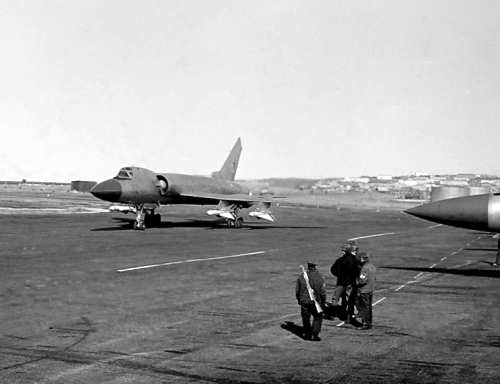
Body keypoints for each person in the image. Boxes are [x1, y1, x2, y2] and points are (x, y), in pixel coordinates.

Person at [296, 260, 327, 341]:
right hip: (315, 301)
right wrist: (323, 300)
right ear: (316, 266)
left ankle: (307, 333)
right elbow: (322, 291)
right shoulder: (319, 276)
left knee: (305, 318)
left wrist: (299, 299)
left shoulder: (302, 276)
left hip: (304, 300)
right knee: (318, 317)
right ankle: (314, 333)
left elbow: (297, 290)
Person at [330, 243, 361, 322]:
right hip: (350, 283)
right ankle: (349, 316)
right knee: (349, 300)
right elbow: (358, 271)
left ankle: (332, 314)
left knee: (335, 298)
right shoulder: (355, 260)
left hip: (340, 282)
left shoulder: (339, 260)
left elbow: (333, 270)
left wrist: (339, 275)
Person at [355, 252, 376, 330]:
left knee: (364, 307)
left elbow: (362, 280)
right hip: (370, 289)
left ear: (361, 258)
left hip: (364, 290)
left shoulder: (365, 268)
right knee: (369, 307)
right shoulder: (372, 266)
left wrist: (356, 281)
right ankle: (369, 322)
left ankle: (365, 323)